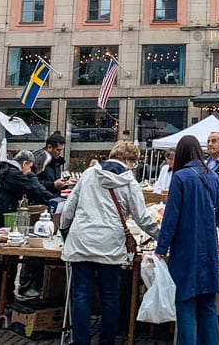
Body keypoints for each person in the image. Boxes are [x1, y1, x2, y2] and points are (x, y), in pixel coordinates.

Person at [61, 141, 160, 345]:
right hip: (110, 246)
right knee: (110, 297)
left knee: (80, 296)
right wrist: (162, 237)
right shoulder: (130, 182)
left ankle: (81, 341)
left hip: (82, 242)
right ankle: (107, 341)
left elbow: (69, 206)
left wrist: (64, 230)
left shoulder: (89, 174)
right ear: (129, 160)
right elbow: (142, 218)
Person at [156, 135, 219, 345]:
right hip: (209, 249)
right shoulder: (214, 176)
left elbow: (171, 216)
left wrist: (161, 247)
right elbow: (218, 213)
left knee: (185, 304)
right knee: (208, 307)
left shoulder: (181, 177)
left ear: (181, 153)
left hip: (186, 249)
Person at [0, 150, 53, 231]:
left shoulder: (3, 168)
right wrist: (54, 200)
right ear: (25, 163)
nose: (30, 171)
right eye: (30, 167)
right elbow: (36, 190)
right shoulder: (14, 174)